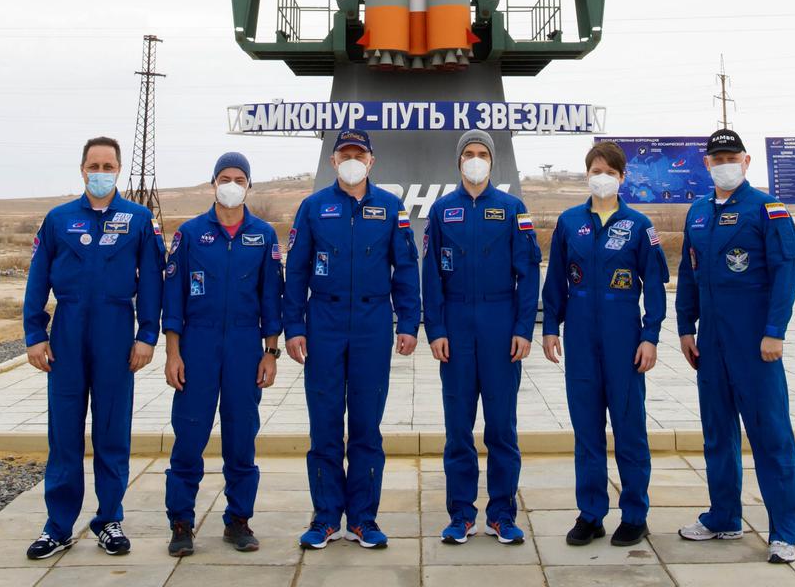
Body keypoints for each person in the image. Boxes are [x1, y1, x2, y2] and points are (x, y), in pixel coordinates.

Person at [22, 136, 165, 560]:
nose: (100, 172)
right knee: (64, 433)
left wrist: (146, 335)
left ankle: (109, 520)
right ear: (81, 169)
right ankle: (58, 525)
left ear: (118, 170)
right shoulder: (58, 219)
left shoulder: (138, 219)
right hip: (67, 331)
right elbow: (37, 279)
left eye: (108, 166)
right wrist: (34, 334)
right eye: (93, 165)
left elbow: (153, 283)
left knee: (111, 430)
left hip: (116, 331)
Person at [283, 129, 420, 551]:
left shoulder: (391, 207)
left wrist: (409, 323)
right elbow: (297, 273)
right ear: (333, 160)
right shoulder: (313, 207)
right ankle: (325, 517)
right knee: (324, 426)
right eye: (345, 154)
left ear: (372, 161)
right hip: (323, 321)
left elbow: (406, 267)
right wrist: (295, 327)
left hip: (372, 323)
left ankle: (363, 518)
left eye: (359, 154)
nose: (352, 160)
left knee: (365, 427)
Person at [676, 129, 795, 564]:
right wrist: (685, 328)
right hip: (711, 342)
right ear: (707, 164)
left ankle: (785, 530)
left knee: (770, 435)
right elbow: (689, 275)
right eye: (717, 158)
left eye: (732, 156)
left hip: (755, 343)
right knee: (717, 434)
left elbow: (787, 271)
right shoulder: (696, 213)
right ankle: (724, 517)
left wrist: (775, 330)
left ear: (746, 161)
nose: (724, 163)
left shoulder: (768, 209)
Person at [542, 140, 669, 548]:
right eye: (596, 170)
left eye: (610, 172)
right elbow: (556, 280)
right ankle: (591, 514)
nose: (602, 177)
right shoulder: (568, 223)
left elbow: (657, 287)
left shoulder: (639, 226)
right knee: (587, 432)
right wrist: (549, 328)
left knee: (630, 430)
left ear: (622, 177)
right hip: (580, 341)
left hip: (624, 342)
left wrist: (650, 336)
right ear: (587, 174)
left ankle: (635, 514)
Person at [423, 129, 541, 546]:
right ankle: (461, 514)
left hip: (499, 324)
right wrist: (435, 329)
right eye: (469, 154)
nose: (475, 160)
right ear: (459, 162)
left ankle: (502, 513)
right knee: (458, 428)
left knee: (502, 428)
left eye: (482, 154)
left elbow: (528, 275)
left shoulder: (512, 209)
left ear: (492, 162)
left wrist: (524, 329)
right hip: (455, 326)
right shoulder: (441, 211)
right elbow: (431, 277)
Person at [163, 152, 283, 557]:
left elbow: (271, 298)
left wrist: (271, 353)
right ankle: (181, 522)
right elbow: (173, 301)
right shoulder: (191, 234)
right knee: (190, 435)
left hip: (245, 349)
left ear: (249, 185)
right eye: (225, 177)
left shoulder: (263, 236)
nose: (231, 185)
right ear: (213, 182)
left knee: (241, 438)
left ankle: (239, 521)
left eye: (239, 179)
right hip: (198, 346)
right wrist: (173, 353)